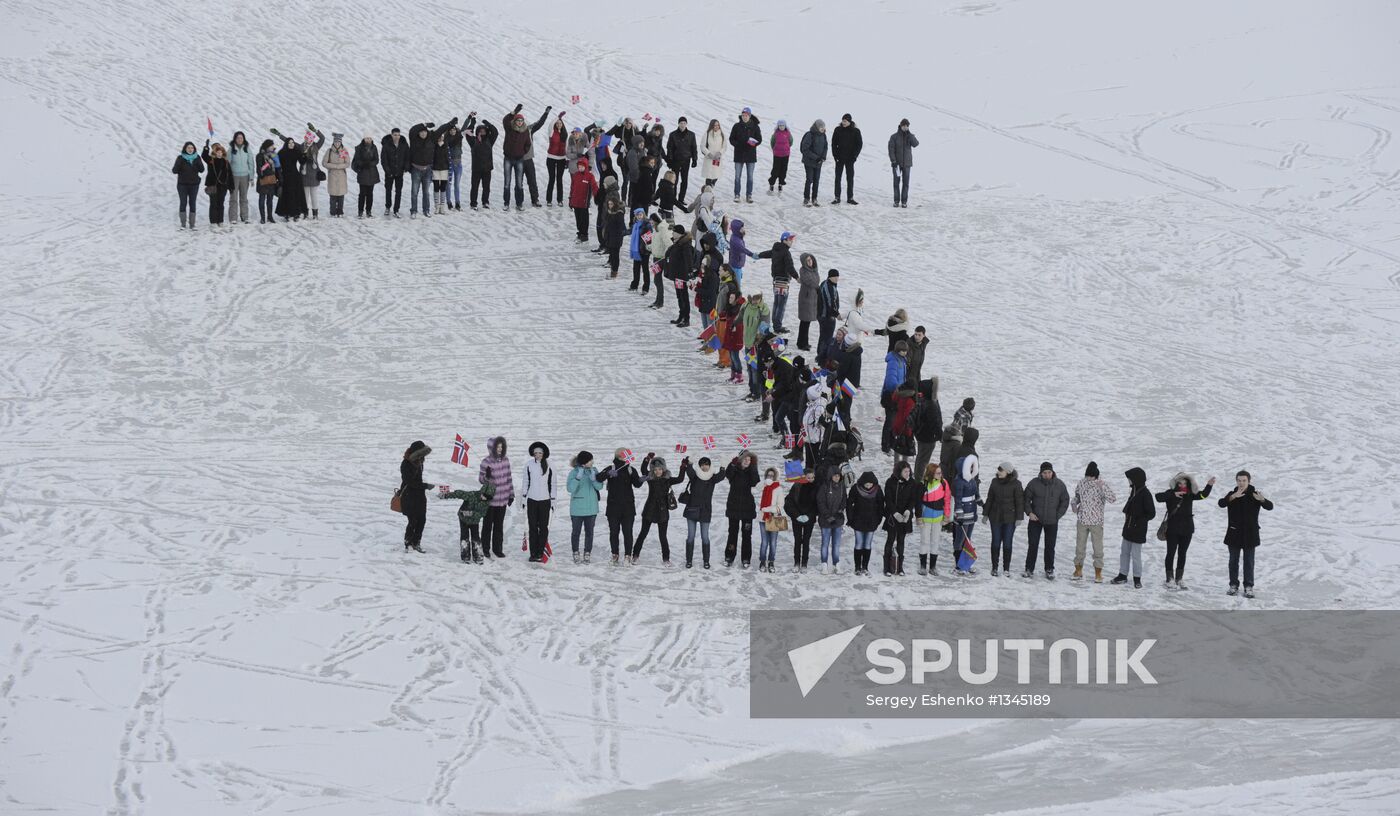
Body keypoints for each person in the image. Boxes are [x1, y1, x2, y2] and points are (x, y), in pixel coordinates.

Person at [1155, 471, 1216, 590]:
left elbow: (1203, 495)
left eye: (1184, 483)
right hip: (1172, 529)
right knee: (1171, 553)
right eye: (1180, 483)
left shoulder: (1191, 495)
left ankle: (1179, 578)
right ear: (1176, 483)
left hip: (1187, 529)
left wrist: (1209, 485)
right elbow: (1158, 497)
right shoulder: (1170, 493)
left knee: (1182, 553)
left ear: (1188, 484)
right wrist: (1173, 494)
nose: (1182, 485)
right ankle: (1169, 579)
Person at [1219, 470, 1272, 598]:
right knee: (1233, 561)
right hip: (1234, 533)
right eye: (1239, 480)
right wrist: (1233, 497)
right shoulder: (1232, 494)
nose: (1241, 483)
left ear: (1249, 481)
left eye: (1244, 480)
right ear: (1236, 481)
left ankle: (1248, 587)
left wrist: (1263, 500)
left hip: (1250, 534)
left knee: (1249, 562)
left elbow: (1270, 507)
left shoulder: (1255, 495)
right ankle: (1233, 585)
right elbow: (1221, 503)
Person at [1070, 462, 1117, 582]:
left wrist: (1103, 487)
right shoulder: (1081, 482)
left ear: (1096, 475)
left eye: (1091, 476)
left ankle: (1098, 573)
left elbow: (1112, 499)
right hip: (1082, 520)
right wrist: (1074, 503)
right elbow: (1077, 496)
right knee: (1079, 548)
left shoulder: (1101, 484)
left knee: (1098, 549)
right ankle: (1078, 570)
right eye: (1087, 476)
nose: (1089, 478)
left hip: (1096, 522)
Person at [1023, 461, 1071, 579]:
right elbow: (1025, 499)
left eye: (1049, 472)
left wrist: (1057, 515)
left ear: (1052, 472)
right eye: (1044, 473)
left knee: (1050, 546)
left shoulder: (1059, 484)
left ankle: (1049, 569)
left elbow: (1065, 501)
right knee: (1033, 544)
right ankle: (1029, 569)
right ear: (1041, 473)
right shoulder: (1033, 483)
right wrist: (1029, 513)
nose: (1047, 475)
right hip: (1035, 520)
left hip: (1052, 521)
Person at [634, 454, 684, 565]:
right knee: (643, 533)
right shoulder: (650, 478)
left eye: (660, 469)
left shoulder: (668, 479)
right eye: (655, 469)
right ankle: (635, 555)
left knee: (663, 537)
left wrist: (683, 466)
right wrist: (647, 459)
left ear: (663, 469)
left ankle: (666, 559)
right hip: (649, 510)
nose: (657, 471)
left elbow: (680, 479)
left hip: (663, 512)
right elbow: (643, 469)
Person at [597, 449, 644, 565]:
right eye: (625, 455)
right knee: (614, 532)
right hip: (613, 508)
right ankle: (615, 555)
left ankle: (628, 555)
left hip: (628, 508)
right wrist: (607, 474)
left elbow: (637, 484)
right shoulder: (611, 468)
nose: (627, 457)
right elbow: (598, 477)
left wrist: (641, 480)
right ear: (619, 456)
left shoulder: (630, 469)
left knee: (628, 532)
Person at [1112, 467, 1156, 588]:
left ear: (1136, 479)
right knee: (1124, 553)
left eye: (1130, 479)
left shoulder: (1145, 493)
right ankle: (1122, 575)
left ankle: (1137, 578)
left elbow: (1151, 513)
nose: (1128, 481)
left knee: (1136, 555)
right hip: (1128, 527)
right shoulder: (1134, 491)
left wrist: (1139, 521)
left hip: (1138, 529)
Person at [680, 456, 724, 568]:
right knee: (691, 536)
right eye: (702, 464)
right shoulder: (695, 476)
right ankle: (689, 560)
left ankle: (706, 561)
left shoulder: (712, 478)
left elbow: (722, 476)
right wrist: (689, 463)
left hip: (705, 511)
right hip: (692, 510)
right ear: (699, 466)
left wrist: (724, 465)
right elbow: (689, 471)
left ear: (709, 466)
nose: (705, 466)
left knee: (705, 536)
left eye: (706, 464)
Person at [983, 462, 1024, 577]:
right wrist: (985, 514)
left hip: (1010, 519)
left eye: (1001, 470)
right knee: (995, 541)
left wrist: (1019, 517)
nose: (998, 472)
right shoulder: (994, 482)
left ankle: (1006, 568)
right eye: (998, 470)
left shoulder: (1016, 484)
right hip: (995, 517)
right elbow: (990, 498)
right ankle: (994, 567)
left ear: (1008, 472)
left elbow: (1019, 502)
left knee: (1007, 543)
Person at [440, 479, 495, 563]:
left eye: (487, 497)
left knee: (476, 538)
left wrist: (471, 513)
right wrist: (446, 495)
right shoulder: (472, 495)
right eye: (484, 495)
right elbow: (459, 493)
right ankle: (465, 556)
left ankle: (478, 556)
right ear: (481, 492)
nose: (484, 498)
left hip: (474, 521)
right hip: (463, 519)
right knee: (464, 537)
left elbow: (482, 514)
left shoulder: (486, 503)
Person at [478, 437, 515, 559]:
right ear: (491, 448)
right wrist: (487, 476)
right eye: (497, 447)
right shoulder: (485, 462)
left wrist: (511, 494)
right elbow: (481, 480)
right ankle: (485, 549)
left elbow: (509, 478)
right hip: (490, 500)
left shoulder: (506, 460)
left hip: (503, 500)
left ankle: (497, 549)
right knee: (488, 526)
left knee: (499, 526)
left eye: (501, 447)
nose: (500, 449)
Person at [408, 119, 454, 217]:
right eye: (421, 132)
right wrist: (424, 124)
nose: (423, 133)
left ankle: (426, 210)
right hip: (416, 169)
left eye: (425, 131)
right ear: (419, 133)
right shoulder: (413, 139)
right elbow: (412, 130)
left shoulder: (431, 139)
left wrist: (450, 124)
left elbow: (441, 130)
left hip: (427, 170)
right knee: (414, 192)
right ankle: (414, 211)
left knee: (426, 192)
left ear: (427, 132)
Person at [723, 451, 760, 567]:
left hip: (747, 510)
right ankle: (729, 556)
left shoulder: (751, 472)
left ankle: (746, 558)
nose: (747, 461)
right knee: (732, 534)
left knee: (746, 535)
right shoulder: (735, 471)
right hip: (733, 508)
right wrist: (732, 465)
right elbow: (728, 474)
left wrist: (753, 467)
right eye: (745, 459)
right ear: (740, 460)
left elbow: (755, 482)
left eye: (749, 460)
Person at [881, 461, 918, 576]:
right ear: (899, 471)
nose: (908, 473)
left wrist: (908, 510)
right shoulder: (890, 482)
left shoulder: (912, 482)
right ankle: (887, 567)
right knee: (890, 539)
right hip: (893, 516)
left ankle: (900, 567)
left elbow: (913, 498)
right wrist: (895, 513)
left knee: (901, 540)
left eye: (909, 471)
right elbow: (888, 499)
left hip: (905, 516)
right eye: (905, 471)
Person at [520, 442, 555, 563]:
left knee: (543, 527)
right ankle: (533, 552)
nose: (538, 455)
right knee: (533, 526)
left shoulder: (550, 464)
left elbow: (553, 483)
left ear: (543, 453)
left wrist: (553, 499)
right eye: (536, 453)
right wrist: (524, 498)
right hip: (532, 499)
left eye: (540, 453)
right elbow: (526, 482)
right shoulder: (529, 465)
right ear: (533, 454)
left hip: (545, 500)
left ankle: (541, 551)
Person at [398, 441, 435, 553]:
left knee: (422, 520)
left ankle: (416, 542)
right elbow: (410, 482)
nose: (423, 457)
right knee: (412, 520)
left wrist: (424, 487)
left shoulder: (419, 462)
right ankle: (408, 543)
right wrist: (425, 486)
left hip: (419, 495)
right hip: (409, 495)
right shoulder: (405, 463)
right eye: (421, 453)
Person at [757, 232, 797, 335]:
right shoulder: (786, 252)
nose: (792, 241)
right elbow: (790, 267)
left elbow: (768, 253)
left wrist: (758, 255)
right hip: (783, 280)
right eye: (790, 239)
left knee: (776, 303)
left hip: (776, 280)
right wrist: (797, 277)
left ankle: (775, 324)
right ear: (784, 240)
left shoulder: (776, 249)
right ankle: (778, 326)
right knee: (781, 304)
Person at [566, 451, 602, 563]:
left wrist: (594, 479)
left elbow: (600, 487)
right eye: (590, 460)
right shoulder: (574, 472)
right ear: (584, 462)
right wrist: (577, 478)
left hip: (591, 508)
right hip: (577, 508)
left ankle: (587, 552)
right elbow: (570, 489)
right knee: (576, 532)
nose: (592, 461)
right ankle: (575, 551)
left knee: (589, 532)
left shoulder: (594, 471)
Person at [845, 471, 883, 576]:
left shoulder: (878, 490)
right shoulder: (855, 489)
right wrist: (850, 518)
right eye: (866, 483)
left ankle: (865, 567)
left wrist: (878, 519)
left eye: (870, 483)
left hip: (871, 522)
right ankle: (857, 567)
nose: (868, 485)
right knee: (859, 543)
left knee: (867, 544)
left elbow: (881, 505)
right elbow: (849, 504)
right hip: (858, 521)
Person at [951, 444, 981, 575]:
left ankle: (966, 564)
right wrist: (959, 514)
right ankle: (958, 565)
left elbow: (976, 494)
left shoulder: (972, 480)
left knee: (968, 539)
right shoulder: (958, 481)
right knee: (959, 540)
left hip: (971, 513)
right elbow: (957, 499)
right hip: (963, 514)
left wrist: (981, 504)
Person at [815, 466, 846, 574]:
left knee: (836, 544)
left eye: (838, 476)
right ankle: (824, 564)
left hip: (838, 520)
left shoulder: (842, 486)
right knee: (825, 543)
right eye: (835, 476)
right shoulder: (824, 487)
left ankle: (836, 563)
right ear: (831, 476)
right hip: (826, 520)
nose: (837, 478)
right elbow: (820, 502)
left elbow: (844, 499)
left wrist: (841, 509)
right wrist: (828, 516)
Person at [783, 473, 817, 571]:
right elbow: (789, 502)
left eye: (812, 477)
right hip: (797, 519)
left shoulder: (816, 487)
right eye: (808, 477)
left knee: (806, 541)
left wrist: (809, 516)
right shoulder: (796, 486)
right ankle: (796, 563)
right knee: (797, 541)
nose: (810, 479)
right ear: (804, 477)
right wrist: (796, 515)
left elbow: (817, 505)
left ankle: (804, 564)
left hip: (809, 519)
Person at [728, 107, 762, 203]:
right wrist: (737, 144)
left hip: (750, 155)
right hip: (739, 155)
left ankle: (749, 195)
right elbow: (731, 139)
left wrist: (753, 143)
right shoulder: (736, 126)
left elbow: (759, 139)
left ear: (750, 116)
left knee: (750, 177)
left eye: (746, 115)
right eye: (743, 115)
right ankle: (737, 195)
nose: (744, 117)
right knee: (737, 176)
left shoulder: (755, 127)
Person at [911, 378, 943, 479]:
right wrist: (940, 436)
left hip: (922, 434)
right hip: (927, 437)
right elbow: (935, 424)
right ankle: (918, 479)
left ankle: (918, 476)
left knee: (921, 457)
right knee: (923, 459)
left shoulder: (924, 400)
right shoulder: (930, 405)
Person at [665, 224, 696, 327]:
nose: (672, 233)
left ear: (679, 233)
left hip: (682, 276)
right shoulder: (677, 243)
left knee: (684, 296)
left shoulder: (685, 245)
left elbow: (689, 261)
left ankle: (686, 319)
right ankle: (681, 316)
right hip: (677, 275)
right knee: (679, 296)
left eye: (674, 232)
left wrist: (690, 274)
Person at [465, 114, 498, 209]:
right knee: (474, 187)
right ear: (477, 132)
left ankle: (485, 202)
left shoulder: (489, 140)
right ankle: (473, 203)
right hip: (476, 168)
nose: (482, 132)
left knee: (486, 187)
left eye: (484, 131)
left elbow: (495, 132)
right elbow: (467, 132)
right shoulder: (473, 140)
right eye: (480, 131)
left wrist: (488, 124)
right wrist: (472, 123)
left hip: (487, 168)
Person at [831, 113, 863, 204]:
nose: (843, 122)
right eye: (843, 120)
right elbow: (833, 144)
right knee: (838, 178)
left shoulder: (856, 131)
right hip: (839, 158)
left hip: (850, 159)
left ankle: (850, 198)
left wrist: (854, 156)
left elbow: (859, 145)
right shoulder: (838, 130)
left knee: (850, 178)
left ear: (849, 121)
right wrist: (835, 156)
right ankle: (837, 197)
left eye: (845, 121)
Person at [757, 467, 785, 573]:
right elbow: (756, 488)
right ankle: (762, 561)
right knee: (764, 542)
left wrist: (767, 509)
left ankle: (771, 562)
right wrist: (764, 483)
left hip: (774, 517)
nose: (770, 477)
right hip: (763, 518)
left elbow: (780, 506)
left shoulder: (778, 488)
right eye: (768, 475)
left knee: (773, 542)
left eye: (772, 475)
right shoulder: (763, 486)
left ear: (775, 477)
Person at [274, 136, 308, 222]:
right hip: (285, 176)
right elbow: (278, 166)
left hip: (295, 176)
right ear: (286, 144)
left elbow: (302, 161)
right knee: (287, 195)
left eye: (293, 143)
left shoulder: (296, 151)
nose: (291, 144)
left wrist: (304, 156)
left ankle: (296, 213)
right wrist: (278, 176)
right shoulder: (281, 153)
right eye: (289, 143)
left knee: (296, 195)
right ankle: (287, 213)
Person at [200, 141, 232, 226]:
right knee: (213, 204)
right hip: (213, 185)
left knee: (221, 204)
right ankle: (213, 222)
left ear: (222, 152)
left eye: (220, 152)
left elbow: (230, 174)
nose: (219, 153)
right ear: (214, 152)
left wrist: (231, 186)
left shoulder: (226, 162)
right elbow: (204, 156)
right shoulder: (211, 160)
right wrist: (206, 148)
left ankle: (220, 221)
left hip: (223, 186)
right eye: (217, 151)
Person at [888, 118, 919, 208]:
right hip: (896, 164)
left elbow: (916, 144)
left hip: (907, 164)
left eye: (907, 126)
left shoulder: (910, 136)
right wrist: (893, 161)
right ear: (900, 126)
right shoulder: (894, 137)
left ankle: (904, 201)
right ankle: (896, 201)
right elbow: (891, 149)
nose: (905, 127)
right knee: (896, 183)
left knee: (906, 183)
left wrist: (909, 135)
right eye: (904, 126)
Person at [297, 126, 326, 219]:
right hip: (304, 175)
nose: (309, 141)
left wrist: (315, 130)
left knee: (314, 196)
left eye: (311, 139)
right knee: (305, 197)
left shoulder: (316, 146)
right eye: (307, 139)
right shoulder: (301, 147)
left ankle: (315, 214)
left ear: (313, 139)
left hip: (314, 174)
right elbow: (290, 142)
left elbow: (322, 138)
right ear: (305, 139)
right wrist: (279, 135)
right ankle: (305, 213)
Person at [666, 116, 698, 201]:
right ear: (678, 124)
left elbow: (694, 148)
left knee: (684, 180)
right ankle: (673, 198)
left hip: (686, 160)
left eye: (684, 123)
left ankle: (681, 199)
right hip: (675, 160)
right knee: (674, 180)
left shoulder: (691, 134)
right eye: (681, 123)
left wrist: (695, 159)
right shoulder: (673, 134)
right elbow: (669, 148)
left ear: (686, 124)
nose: (682, 125)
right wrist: (669, 160)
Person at [380, 127, 409, 216]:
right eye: (395, 135)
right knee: (388, 190)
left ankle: (396, 209)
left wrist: (405, 168)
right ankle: (388, 207)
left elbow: (407, 157)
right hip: (389, 173)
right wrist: (388, 171)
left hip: (400, 172)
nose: (397, 137)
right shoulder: (386, 145)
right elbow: (384, 160)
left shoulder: (404, 144)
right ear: (391, 135)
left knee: (398, 191)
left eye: (398, 135)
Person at [227, 131, 254, 224]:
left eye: (241, 138)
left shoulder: (247, 148)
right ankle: (233, 218)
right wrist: (228, 177)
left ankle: (245, 216)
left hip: (245, 176)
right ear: (235, 139)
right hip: (234, 176)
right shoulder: (231, 149)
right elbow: (228, 163)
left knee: (244, 197)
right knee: (233, 197)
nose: (240, 139)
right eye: (238, 138)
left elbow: (251, 162)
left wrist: (251, 177)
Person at [795, 252, 821, 351]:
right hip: (806, 299)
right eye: (807, 261)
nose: (810, 262)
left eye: (810, 260)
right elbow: (811, 282)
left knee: (807, 323)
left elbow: (816, 281)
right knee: (804, 323)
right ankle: (802, 344)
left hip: (812, 299)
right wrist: (818, 287)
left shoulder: (814, 270)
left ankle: (803, 342)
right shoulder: (803, 271)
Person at [799, 119, 828, 206]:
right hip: (809, 162)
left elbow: (825, 147)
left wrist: (823, 157)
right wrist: (816, 158)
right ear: (816, 127)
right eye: (821, 127)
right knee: (810, 179)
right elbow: (805, 149)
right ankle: (806, 198)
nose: (822, 129)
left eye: (823, 127)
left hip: (818, 162)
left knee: (816, 180)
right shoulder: (809, 135)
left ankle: (814, 198)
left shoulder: (823, 135)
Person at [568, 158, 599, 242]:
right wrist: (570, 199)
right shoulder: (575, 175)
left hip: (584, 203)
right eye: (579, 166)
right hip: (575, 201)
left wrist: (598, 195)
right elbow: (572, 188)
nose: (580, 168)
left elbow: (594, 187)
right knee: (578, 218)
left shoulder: (590, 176)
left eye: (582, 166)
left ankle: (584, 234)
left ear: (585, 166)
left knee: (584, 219)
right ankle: (580, 233)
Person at [351, 135, 380, 218]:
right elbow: (357, 159)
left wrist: (370, 164)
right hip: (363, 173)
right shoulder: (359, 148)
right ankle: (360, 211)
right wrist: (364, 164)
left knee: (370, 194)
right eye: (367, 138)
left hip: (372, 173)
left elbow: (376, 160)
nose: (369, 140)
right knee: (362, 194)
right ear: (364, 138)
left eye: (370, 138)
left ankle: (368, 211)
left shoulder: (374, 147)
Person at [646, 211, 672, 301]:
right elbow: (656, 244)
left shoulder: (662, 230)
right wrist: (648, 247)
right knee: (656, 280)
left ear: (656, 221)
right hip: (655, 258)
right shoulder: (655, 230)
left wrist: (665, 255)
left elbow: (669, 244)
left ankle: (660, 301)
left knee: (657, 280)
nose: (650, 223)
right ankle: (658, 300)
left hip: (660, 259)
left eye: (652, 221)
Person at [322, 133, 349, 218]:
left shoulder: (344, 151)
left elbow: (347, 163)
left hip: (341, 176)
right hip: (332, 176)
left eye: (339, 142)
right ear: (333, 142)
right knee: (333, 195)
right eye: (336, 142)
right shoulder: (329, 151)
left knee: (341, 195)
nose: (337, 143)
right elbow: (324, 163)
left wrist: (339, 166)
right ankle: (333, 212)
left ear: (341, 142)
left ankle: (340, 212)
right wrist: (334, 166)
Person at [817, 269, 841, 361]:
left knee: (823, 336)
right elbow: (830, 302)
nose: (837, 279)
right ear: (830, 277)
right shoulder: (828, 286)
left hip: (824, 315)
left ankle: (821, 355)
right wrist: (836, 314)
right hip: (826, 317)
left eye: (837, 277)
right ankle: (822, 357)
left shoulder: (828, 284)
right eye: (835, 277)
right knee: (826, 338)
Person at [544, 114, 569, 206]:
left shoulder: (565, 134)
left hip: (561, 159)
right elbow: (550, 124)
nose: (559, 124)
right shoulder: (551, 132)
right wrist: (558, 117)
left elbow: (566, 147)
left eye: (560, 123)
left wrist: (567, 159)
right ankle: (549, 200)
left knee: (559, 179)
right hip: (551, 158)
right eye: (557, 123)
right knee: (552, 179)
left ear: (562, 124)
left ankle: (560, 200)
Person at [255, 140, 279, 224]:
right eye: (271, 146)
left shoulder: (273, 155)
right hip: (263, 180)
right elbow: (258, 168)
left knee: (270, 200)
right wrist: (262, 175)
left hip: (271, 180)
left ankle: (270, 217)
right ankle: (263, 217)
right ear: (267, 146)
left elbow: (277, 166)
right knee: (262, 199)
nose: (273, 147)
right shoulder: (260, 156)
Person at [443, 120, 465, 210]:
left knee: (457, 184)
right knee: (448, 184)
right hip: (450, 163)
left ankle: (457, 202)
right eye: (451, 130)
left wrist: (469, 117)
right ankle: (448, 202)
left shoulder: (459, 137)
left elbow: (464, 128)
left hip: (458, 163)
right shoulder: (447, 139)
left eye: (454, 130)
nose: (453, 131)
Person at [728, 218, 755, 289]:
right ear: (737, 230)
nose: (743, 229)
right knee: (737, 288)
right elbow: (743, 250)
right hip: (735, 266)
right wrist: (753, 255)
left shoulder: (737, 237)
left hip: (737, 265)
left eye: (743, 227)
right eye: (741, 228)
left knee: (736, 285)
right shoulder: (736, 240)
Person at [604, 199, 627, 279]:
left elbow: (621, 226)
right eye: (609, 204)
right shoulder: (609, 212)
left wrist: (620, 234)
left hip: (616, 238)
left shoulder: (619, 213)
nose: (610, 205)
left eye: (611, 204)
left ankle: (614, 272)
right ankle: (612, 271)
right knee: (612, 255)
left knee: (615, 255)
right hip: (610, 237)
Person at [768, 119, 793, 194]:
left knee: (784, 169)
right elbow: (772, 142)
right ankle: (771, 183)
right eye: (780, 126)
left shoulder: (788, 133)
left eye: (783, 125)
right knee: (776, 169)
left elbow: (791, 142)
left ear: (785, 126)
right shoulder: (775, 134)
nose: (781, 127)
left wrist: (786, 148)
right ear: (778, 126)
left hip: (785, 155)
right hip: (777, 155)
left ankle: (781, 183)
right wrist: (775, 149)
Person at [431, 128, 452, 215]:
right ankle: (437, 206)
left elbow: (449, 159)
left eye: (442, 136)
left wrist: (450, 172)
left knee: (443, 188)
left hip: (444, 169)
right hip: (435, 169)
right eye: (439, 136)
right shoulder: (434, 145)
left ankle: (442, 207)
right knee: (436, 188)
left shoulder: (446, 146)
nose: (440, 138)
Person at [701, 119, 726, 191]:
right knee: (709, 175)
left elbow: (724, 146)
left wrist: (720, 153)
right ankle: (707, 193)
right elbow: (702, 146)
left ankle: (711, 186)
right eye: (715, 125)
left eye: (718, 125)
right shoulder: (707, 134)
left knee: (716, 175)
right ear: (711, 126)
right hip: (709, 158)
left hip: (717, 159)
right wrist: (708, 153)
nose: (716, 127)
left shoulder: (722, 134)